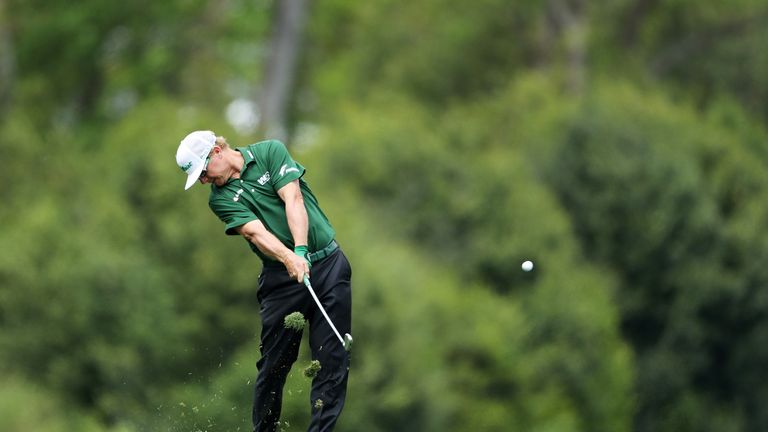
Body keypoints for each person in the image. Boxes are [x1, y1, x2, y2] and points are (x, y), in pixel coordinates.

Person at [175, 130, 352, 432]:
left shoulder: (270, 152)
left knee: (331, 361)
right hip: (280, 281)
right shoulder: (219, 199)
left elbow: (293, 198)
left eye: (203, 171)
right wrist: (289, 259)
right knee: (274, 367)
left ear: (217, 151)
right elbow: (255, 233)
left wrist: (300, 251)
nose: (203, 180)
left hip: (329, 266)